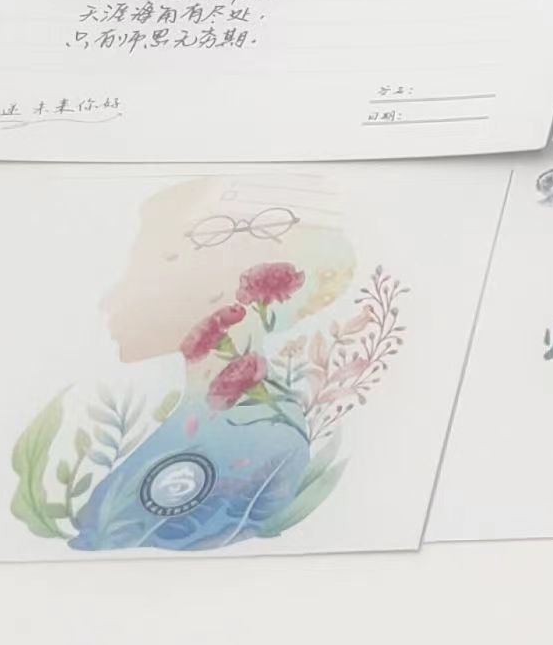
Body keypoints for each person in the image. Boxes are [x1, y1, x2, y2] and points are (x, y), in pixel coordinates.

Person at [63, 176, 356, 551]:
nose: (110, 299)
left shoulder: (256, 439)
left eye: (146, 265)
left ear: (223, 284)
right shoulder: (204, 417)